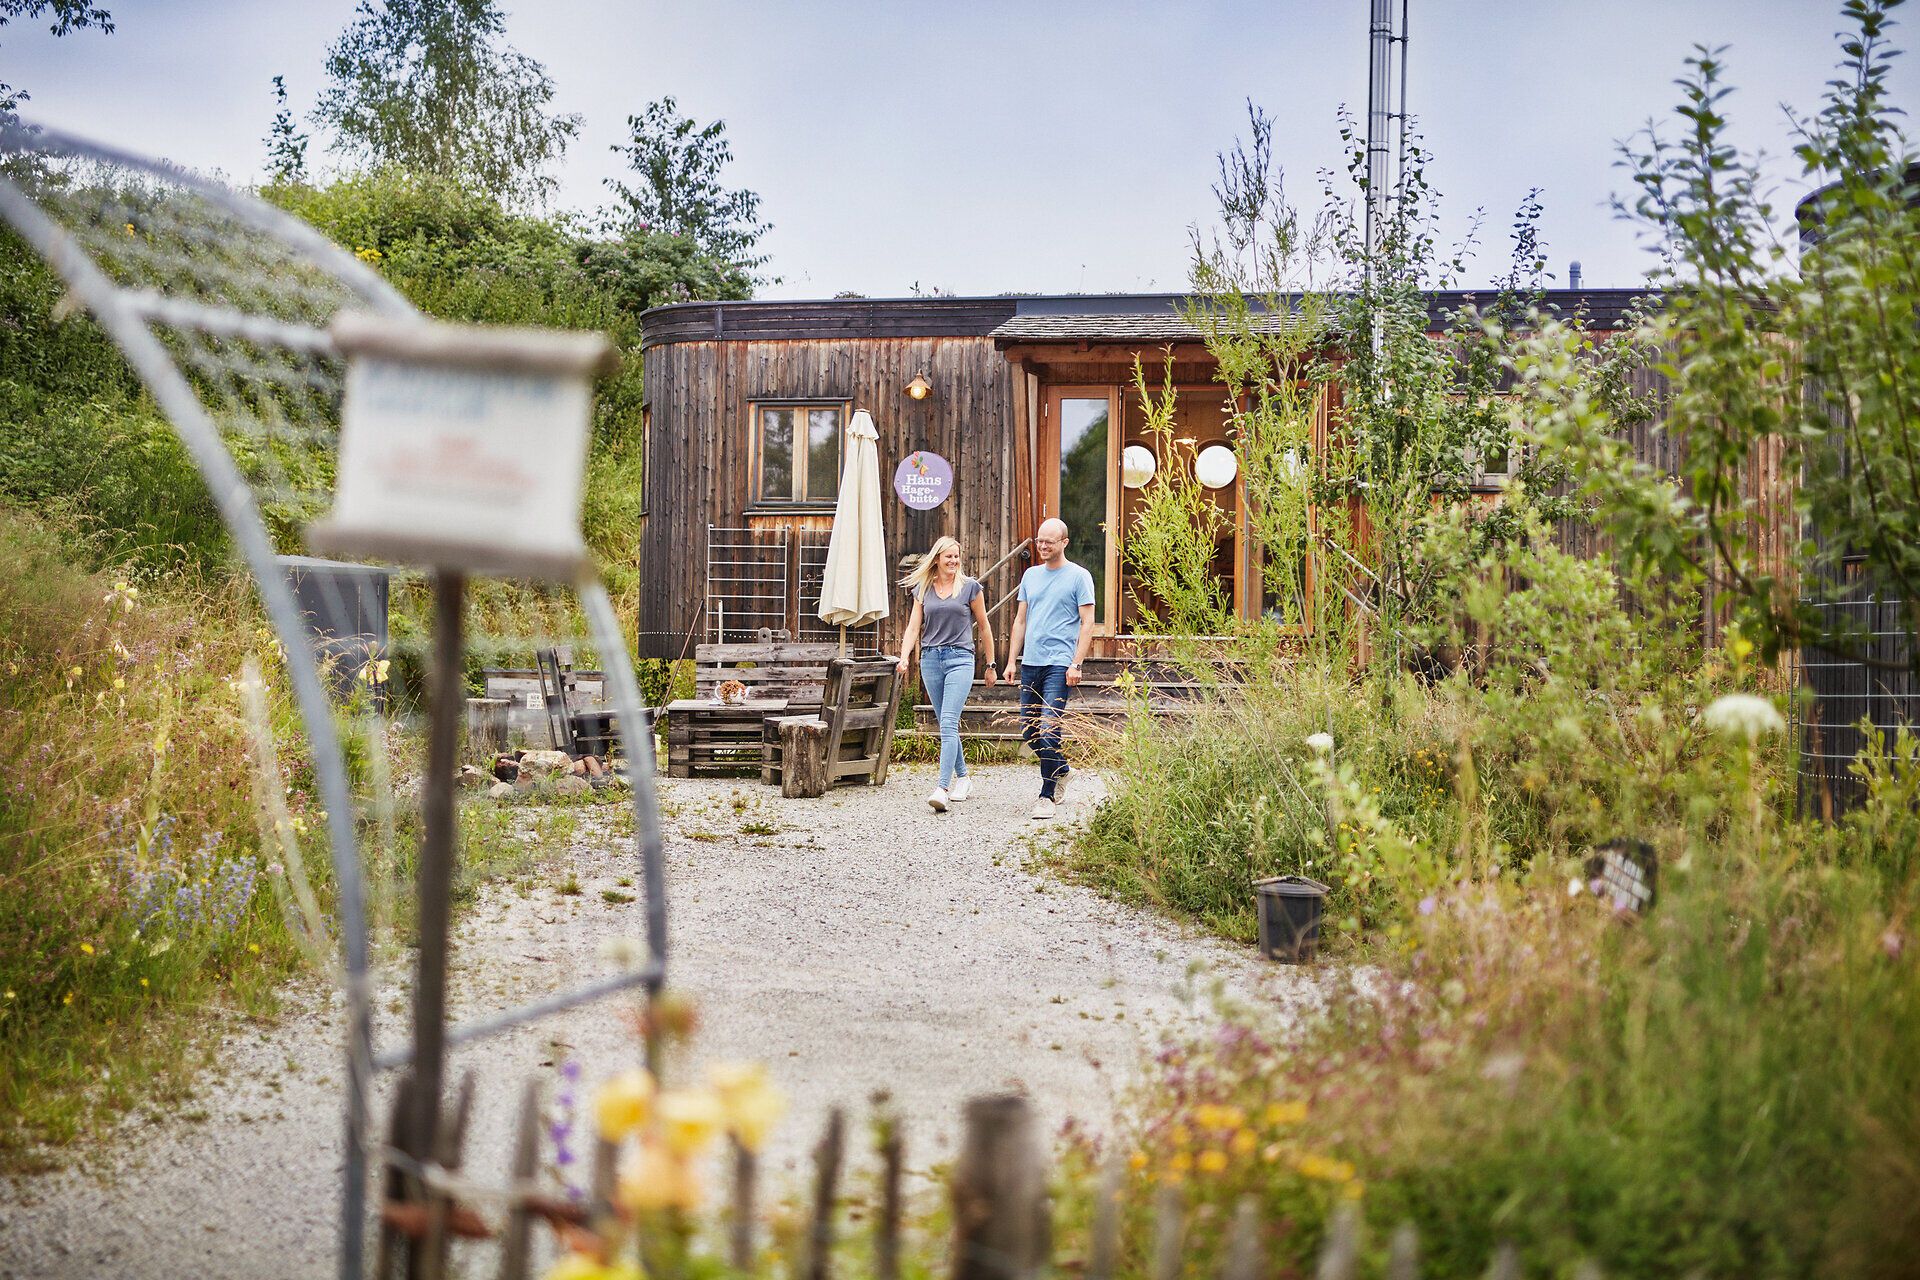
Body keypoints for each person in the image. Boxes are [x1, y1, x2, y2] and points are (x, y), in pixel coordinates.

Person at [1000, 517, 1095, 820]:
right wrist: (1012, 659)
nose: (1042, 546)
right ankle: (1063, 771)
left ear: (1064, 543)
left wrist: (1076, 663)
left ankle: (1046, 795)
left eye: (1048, 542)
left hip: (1059, 663)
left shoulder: (1079, 577)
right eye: (1039, 540)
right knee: (1029, 731)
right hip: (1031, 662)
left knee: (1048, 728)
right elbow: (1020, 620)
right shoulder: (1030, 575)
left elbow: (1088, 623)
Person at [895, 535, 997, 813]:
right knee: (945, 724)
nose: (953, 561)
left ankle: (942, 787)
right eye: (948, 556)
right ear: (937, 560)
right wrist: (904, 658)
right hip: (930, 660)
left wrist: (990, 665)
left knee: (949, 721)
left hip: (960, 659)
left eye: (956, 556)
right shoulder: (923, 589)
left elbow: (985, 627)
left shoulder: (970, 588)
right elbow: (914, 628)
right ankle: (963, 778)